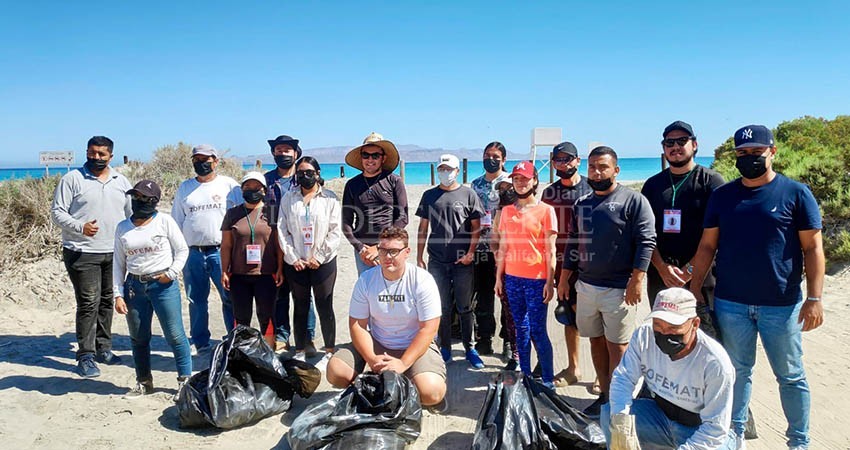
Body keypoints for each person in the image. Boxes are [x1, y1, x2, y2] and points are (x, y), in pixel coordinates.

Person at [689, 125, 824, 450]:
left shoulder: (795, 193)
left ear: (772, 152)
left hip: (782, 304)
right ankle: (733, 438)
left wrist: (815, 298)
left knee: (790, 375)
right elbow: (707, 246)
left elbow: (813, 248)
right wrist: (693, 290)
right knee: (736, 372)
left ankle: (799, 443)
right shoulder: (724, 196)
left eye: (756, 152)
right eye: (742, 153)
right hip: (731, 303)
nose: (749, 158)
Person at [558, 146, 656, 418]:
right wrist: (565, 279)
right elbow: (573, 244)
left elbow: (646, 241)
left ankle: (619, 400)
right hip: (586, 287)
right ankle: (604, 396)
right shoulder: (582, 203)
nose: (597, 172)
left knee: (619, 346)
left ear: (616, 169)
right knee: (596, 341)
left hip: (619, 289)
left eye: (603, 166)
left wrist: (637, 280)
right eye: (592, 167)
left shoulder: (633, 201)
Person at [325, 227, 447, 409]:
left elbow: (429, 328)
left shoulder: (422, 280)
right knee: (336, 371)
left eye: (394, 251)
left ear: (407, 253)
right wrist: (372, 359)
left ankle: (404, 379)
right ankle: (377, 386)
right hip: (379, 342)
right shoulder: (366, 280)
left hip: (413, 344)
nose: (388, 256)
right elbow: (357, 325)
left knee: (431, 393)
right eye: (383, 251)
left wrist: (404, 363)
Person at [603, 288, 736, 449]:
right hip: (661, 415)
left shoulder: (715, 363)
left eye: (673, 327)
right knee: (610, 413)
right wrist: (621, 423)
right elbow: (623, 378)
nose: (665, 333)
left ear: (694, 324)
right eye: (658, 325)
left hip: (700, 427)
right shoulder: (644, 336)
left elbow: (715, 430)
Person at [51, 135, 132, 378]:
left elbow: (130, 214)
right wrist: (79, 226)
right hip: (82, 251)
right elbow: (57, 212)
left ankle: (103, 348)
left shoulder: (121, 180)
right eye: (91, 153)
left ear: (111, 156)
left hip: (114, 252)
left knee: (108, 300)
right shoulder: (72, 179)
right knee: (89, 302)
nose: (95, 158)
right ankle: (85, 356)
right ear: (86, 152)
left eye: (101, 154)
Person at [112, 180, 191, 400]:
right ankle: (143, 381)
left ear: (154, 201)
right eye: (135, 197)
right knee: (138, 337)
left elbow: (182, 250)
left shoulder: (164, 221)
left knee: (175, 335)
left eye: (143, 198)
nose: (138, 201)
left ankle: (185, 381)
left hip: (163, 285)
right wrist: (118, 295)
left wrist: (172, 273)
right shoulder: (122, 227)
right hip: (134, 287)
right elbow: (118, 264)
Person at [416, 154, 485, 369]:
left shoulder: (468, 194)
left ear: (457, 171)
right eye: (442, 169)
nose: (445, 173)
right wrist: (419, 257)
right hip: (437, 261)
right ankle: (444, 347)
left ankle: (469, 348)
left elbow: (477, 227)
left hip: (462, 262)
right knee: (442, 306)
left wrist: (471, 253)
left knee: (465, 306)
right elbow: (422, 228)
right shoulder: (429, 195)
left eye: (449, 169)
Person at [171, 144, 240, 354]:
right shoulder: (185, 188)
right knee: (196, 300)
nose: (201, 163)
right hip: (193, 253)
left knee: (230, 297)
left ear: (216, 161)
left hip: (222, 252)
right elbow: (176, 221)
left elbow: (242, 215)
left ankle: (234, 339)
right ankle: (201, 341)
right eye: (197, 159)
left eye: (206, 159)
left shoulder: (229, 186)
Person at [494, 161, 558, 389]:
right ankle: (526, 376)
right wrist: (498, 279)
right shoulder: (507, 212)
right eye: (516, 179)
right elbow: (503, 248)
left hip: (536, 279)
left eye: (525, 178)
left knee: (538, 330)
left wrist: (550, 282)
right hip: (512, 278)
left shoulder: (546, 211)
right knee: (520, 329)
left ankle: (548, 380)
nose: (520, 183)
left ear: (534, 181)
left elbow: (551, 250)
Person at [278, 156, 342, 371]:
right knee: (300, 305)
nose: (305, 176)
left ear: (317, 173)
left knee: (325, 305)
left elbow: (335, 231)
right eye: (301, 172)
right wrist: (293, 257)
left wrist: (320, 257)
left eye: (309, 172)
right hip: (296, 263)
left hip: (323, 263)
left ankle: (329, 351)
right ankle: (300, 351)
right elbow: (282, 229)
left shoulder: (330, 199)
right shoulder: (288, 198)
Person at [541, 141, 592, 388]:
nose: (563, 163)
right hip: (561, 265)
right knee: (568, 316)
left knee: (593, 320)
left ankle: (603, 377)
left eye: (568, 158)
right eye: (558, 159)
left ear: (578, 161)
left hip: (590, 264)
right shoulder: (548, 194)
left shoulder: (591, 188)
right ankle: (574, 368)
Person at [263, 134, 317, 353]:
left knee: (304, 294)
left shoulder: (306, 177)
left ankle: (308, 338)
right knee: (279, 291)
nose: (283, 154)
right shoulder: (265, 180)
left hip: (303, 244)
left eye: (287, 150)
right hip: (274, 242)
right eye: (278, 150)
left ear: (296, 154)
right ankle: (283, 338)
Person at [220, 172, 285, 348]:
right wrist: (224, 271)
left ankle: (268, 355)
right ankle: (243, 355)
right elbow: (226, 245)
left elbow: (279, 243)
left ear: (264, 190)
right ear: (241, 190)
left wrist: (280, 268)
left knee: (267, 316)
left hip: (266, 273)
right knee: (241, 317)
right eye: (247, 187)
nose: (252, 191)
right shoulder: (233, 214)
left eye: (256, 187)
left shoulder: (272, 212)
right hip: (239, 275)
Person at [342, 132, 409, 275]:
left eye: (375, 156)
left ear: (383, 158)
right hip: (364, 252)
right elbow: (346, 223)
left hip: (392, 248)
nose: (370, 159)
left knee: (393, 290)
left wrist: (382, 245)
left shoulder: (394, 181)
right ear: (361, 158)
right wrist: (360, 247)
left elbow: (403, 217)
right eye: (366, 155)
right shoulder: (352, 185)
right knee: (368, 291)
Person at [469, 141, 508, 356]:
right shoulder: (475, 184)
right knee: (484, 294)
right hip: (482, 245)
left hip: (507, 246)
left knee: (507, 295)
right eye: (486, 155)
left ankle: (508, 340)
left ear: (503, 159)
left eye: (495, 156)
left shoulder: (512, 181)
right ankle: (485, 337)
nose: (490, 159)